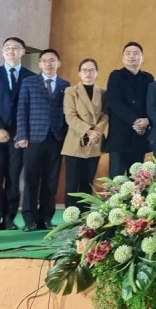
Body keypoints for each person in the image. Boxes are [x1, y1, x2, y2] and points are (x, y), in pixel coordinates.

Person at [0, 36, 36, 231]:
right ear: (3, 52)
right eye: (7, 48)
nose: (11, 51)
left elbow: (31, 108)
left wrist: (22, 133)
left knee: (13, 177)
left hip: (19, 136)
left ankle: (9, 218)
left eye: (16, 48)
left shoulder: (31, 77)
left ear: (23, 52)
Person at [15, 49, 70, 231]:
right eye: (44, 61)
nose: (48, 64)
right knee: (31, 179)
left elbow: (67, 113)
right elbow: (22, 110)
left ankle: (46, 218)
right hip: (33, 138)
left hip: (56, 138)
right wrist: (22, 135)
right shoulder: (28, 83)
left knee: (51, 180)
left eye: (52, 60)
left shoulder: (65, 85)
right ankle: (29, 219)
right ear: (39, 64)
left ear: (58, 63)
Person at [61, 57, 108, 211]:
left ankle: (85, 218)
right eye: (85, 70)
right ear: (79, 74)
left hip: (94, 143)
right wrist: (88, 131)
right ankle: (71, 217)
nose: (88, 73)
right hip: (75, 141)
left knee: (87, 182)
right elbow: (70, 116)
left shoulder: (103, 92)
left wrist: (96, 132)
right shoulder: (71, 91)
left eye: (91, 70)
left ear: (97, 73)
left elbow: (105, 115)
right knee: (72, 184)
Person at [105, 41, 155, 177]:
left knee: (138, 182)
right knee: (116, 182)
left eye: (136, 53)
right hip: (119, 138)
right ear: (123, 58)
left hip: (140, 136)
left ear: (142, 58)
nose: (132, 56)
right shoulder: (115, 76)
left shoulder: (148, 78)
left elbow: (151, 104)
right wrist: (135, 121)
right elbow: (114, 103)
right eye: (128, 53)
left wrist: (146, 121)